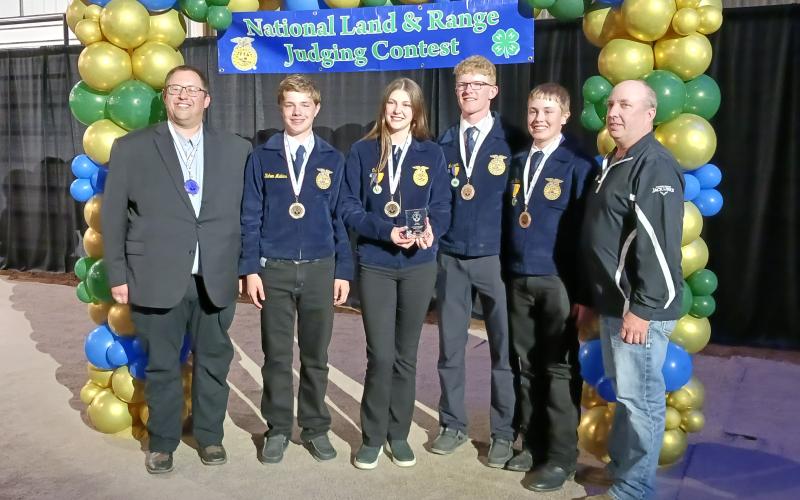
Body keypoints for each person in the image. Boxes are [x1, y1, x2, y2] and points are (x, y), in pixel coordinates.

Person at [102, 65, 252, 474]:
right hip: (153, 276)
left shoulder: (238, 150)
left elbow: (248, 215)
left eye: (192, 89)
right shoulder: (131, 148)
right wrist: (117, 275)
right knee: (162, 366)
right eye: (174, 89)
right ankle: (163, 441)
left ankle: (210, 436)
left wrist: (247, 267)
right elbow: (112, 216)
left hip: (216, 277)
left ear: (207, 99)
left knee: (213, 364)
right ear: (165, 98)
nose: (183, 96)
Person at [338, 77, 452, 470]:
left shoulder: (431, 154)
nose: (398, 110)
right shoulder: (362, 151)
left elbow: (442, 205)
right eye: (392, 103)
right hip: (376, 264)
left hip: (418, 267)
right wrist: (387, 231)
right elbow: (349, 207)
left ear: (416, 111)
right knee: (380, 355)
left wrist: (433, 227)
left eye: (406, 104)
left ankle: (398, 435)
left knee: (406, 355)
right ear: (383, 108)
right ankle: (371, 437)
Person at [240, 75, 353, 464]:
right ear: (280, 108)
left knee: (315, 356)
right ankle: (276, 428)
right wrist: (251, 268)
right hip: (275, 270)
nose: (297, 111)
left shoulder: (331, 159)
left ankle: (316, 427)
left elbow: (341, 219)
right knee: (275, 355)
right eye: (290, 104)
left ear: (317, 109)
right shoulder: (262, 156)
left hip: (322, 268)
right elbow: (250, 217)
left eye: (305, 104)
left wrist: (344, 271)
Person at [580, 80, 684, 500]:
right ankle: (624, 472)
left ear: (649, 114)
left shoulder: (654, 165)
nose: (614, 112)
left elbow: (658, 247)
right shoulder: (614, 158)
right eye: (610, 104)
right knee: (627, 396)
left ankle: (634, 489)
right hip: (613, 304)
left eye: (625, 104)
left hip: (638, 310)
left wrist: (642, 308)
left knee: (641, 401)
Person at [501, 83, 595, 491]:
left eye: (547, 111)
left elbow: (585, 235)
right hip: (518, 277)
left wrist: (583, 294)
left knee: (558, 370)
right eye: (533, 111)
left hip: (558, 282)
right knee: (525, 366)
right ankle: (533, 443)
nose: (538, 119)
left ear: (565, 116)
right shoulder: (519, 161)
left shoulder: (578, 164)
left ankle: (561, 457)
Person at [432, 55, 516, 467]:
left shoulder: (513, 140)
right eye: (463, 84)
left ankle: (503, 432)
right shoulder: (441, 143)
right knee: (450, 348)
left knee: (503, 349)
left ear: (493, 91)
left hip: (496, 260)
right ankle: (452, 424)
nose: (469, 90)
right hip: (450, 258)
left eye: (478, 83)